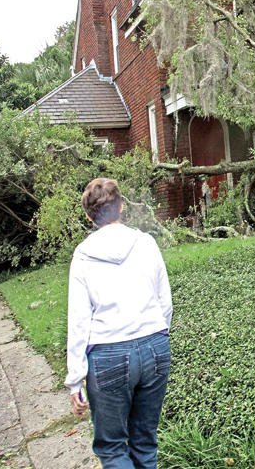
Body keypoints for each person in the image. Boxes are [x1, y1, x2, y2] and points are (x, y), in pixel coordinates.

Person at [65, 178, 173, 469]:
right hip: (155, 348)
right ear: (122, 208)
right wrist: (158, 335)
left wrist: (75, 379)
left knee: (112, 449)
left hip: (108, 356)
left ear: (89, 216)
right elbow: (165, 300)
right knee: (145, 441)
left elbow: (78, 320)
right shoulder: (146, 243)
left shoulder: (83, 255)